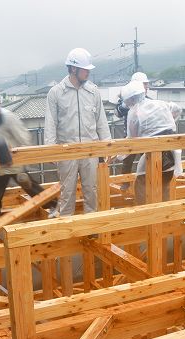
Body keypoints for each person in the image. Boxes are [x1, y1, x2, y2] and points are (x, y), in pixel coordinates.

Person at [0, 87, 58, 218]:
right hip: (0, 165)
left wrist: (21, 157)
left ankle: (53, 205)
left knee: (30, 187)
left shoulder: (8, 117)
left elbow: (24, 138)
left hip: (14, 163)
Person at [44, 48, 111, 216]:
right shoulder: (56, 93)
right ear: (73, 69)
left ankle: (92, 233)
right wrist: (51, 149)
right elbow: (50, 122)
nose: (88, 72)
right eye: (85, 69)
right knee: (67, 194)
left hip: (91, 150)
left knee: (92, 192)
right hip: (67, 151)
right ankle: (68, 234)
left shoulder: (93, 92)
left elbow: (101, 121)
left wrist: (108, 145)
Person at [119, 81, 182, 205]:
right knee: (163, 188)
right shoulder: (159, 103)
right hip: (172, 154)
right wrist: (170, 122)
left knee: (141, 187)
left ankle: (146, 219)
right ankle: (164, 219)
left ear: (131, 99)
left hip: (153, 156)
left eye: (126, 101)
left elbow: (132, 140)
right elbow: (177, 109)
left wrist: (119, 154)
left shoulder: (134, 112)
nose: (126, 104)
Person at [116, 72, 151, 190]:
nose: (146, 87)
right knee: (127, 160)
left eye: (147, 84)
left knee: (146, 160)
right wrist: (125, 105)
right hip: (130, 136)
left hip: (145, 137)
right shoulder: (127, 100)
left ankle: (145, 183)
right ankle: (125, 184)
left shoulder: (149, 101)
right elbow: (118, 113)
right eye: (144, 84)